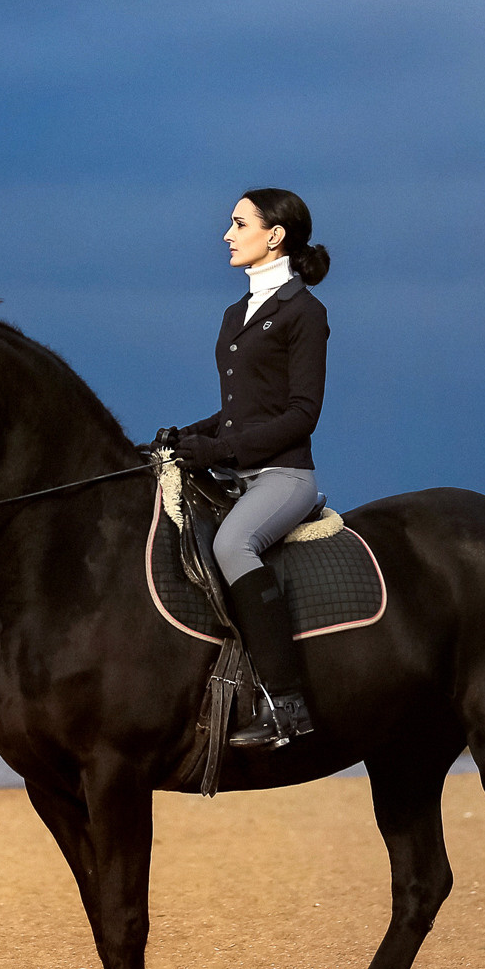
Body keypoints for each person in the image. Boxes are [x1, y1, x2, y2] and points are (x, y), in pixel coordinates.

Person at [161, 189, 331, 749]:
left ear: (274, 234)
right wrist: (189, 436)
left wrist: (221, 451)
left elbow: (302, 415)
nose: (227, 236)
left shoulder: (304, 312)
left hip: (284, 476)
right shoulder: (238, 313)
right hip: (238, 472)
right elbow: (239, 413)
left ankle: (287, 705)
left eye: (239, 224)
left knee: (233, 544)